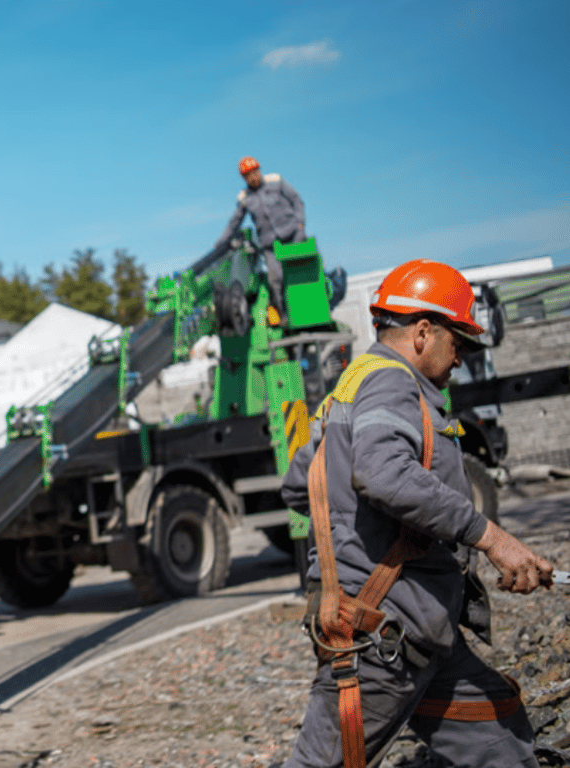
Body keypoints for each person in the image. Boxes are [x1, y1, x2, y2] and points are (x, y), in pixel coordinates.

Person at [281, 259, 554, 767]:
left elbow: (302, 485)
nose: (460, 360)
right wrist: (491, 538)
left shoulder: (351, 385)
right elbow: (383, 475)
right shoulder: (393, 383)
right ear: (424, 332)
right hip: (381, 639)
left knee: (500, 741)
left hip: (420, 635)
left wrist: (356, 532)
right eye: (459, 343)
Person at [209, 156, 307, 317]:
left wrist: (300, 225)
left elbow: (297, 200)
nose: (253, 177)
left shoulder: (276, 181)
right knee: (275, 280)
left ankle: (306, 311)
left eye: (254, 173)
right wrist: (220, 243)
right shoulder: (245, 198)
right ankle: (284, 315)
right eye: (248, 175)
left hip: (292, 235)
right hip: (270, 245)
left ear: (259, 170)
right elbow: (235, 223)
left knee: (300, 272)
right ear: (244, 178)